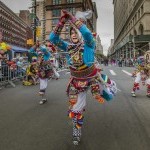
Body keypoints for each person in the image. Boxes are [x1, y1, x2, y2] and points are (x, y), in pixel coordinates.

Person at [49, 10, 116, 145]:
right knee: (76, 109)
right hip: (77, 82)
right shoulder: (68, 47)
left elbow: (86, 33)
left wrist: (72, 19)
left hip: (92, 78)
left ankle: (110, 87)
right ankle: (76, 131)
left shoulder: (89, 44)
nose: (73, 35)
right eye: (71, 33)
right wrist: (61, 22)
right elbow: (53, 39)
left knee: (108, 92)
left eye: (75, 33)